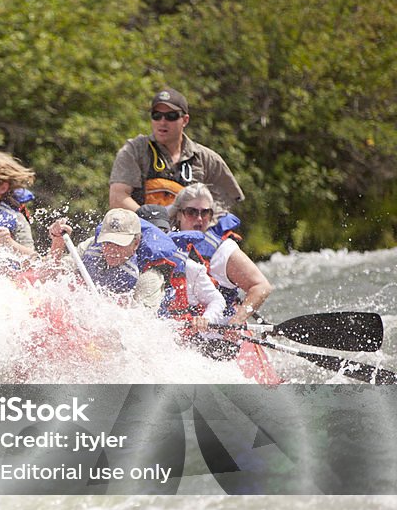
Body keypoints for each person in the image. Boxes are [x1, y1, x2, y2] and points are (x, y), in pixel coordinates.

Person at [47, 208, 226, 330]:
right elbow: (50, 274)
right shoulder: (90, 247)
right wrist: (57, 243)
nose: (111, 250)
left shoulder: (149, 277)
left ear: (136, 243)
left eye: (119, 244)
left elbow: (137, 329)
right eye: (108, 242)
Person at [109, 88, 244, 212]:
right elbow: (117, 198)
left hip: (189, 234)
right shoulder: (134, 150)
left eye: (171, 116)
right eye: (156, 115)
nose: (162, 122)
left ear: (185, 120)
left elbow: (228, 203)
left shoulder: (207, 159)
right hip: (142, 231)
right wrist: (151, 221)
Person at [167, 183, 273, 325]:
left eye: (205, 213)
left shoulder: (223, 250)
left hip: (216, 330)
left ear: (211, 216)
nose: (199, 218)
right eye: (192, 212)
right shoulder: (165, 244)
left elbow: (261, 286)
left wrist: (237, 320)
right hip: (178, 326)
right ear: (179, 214)